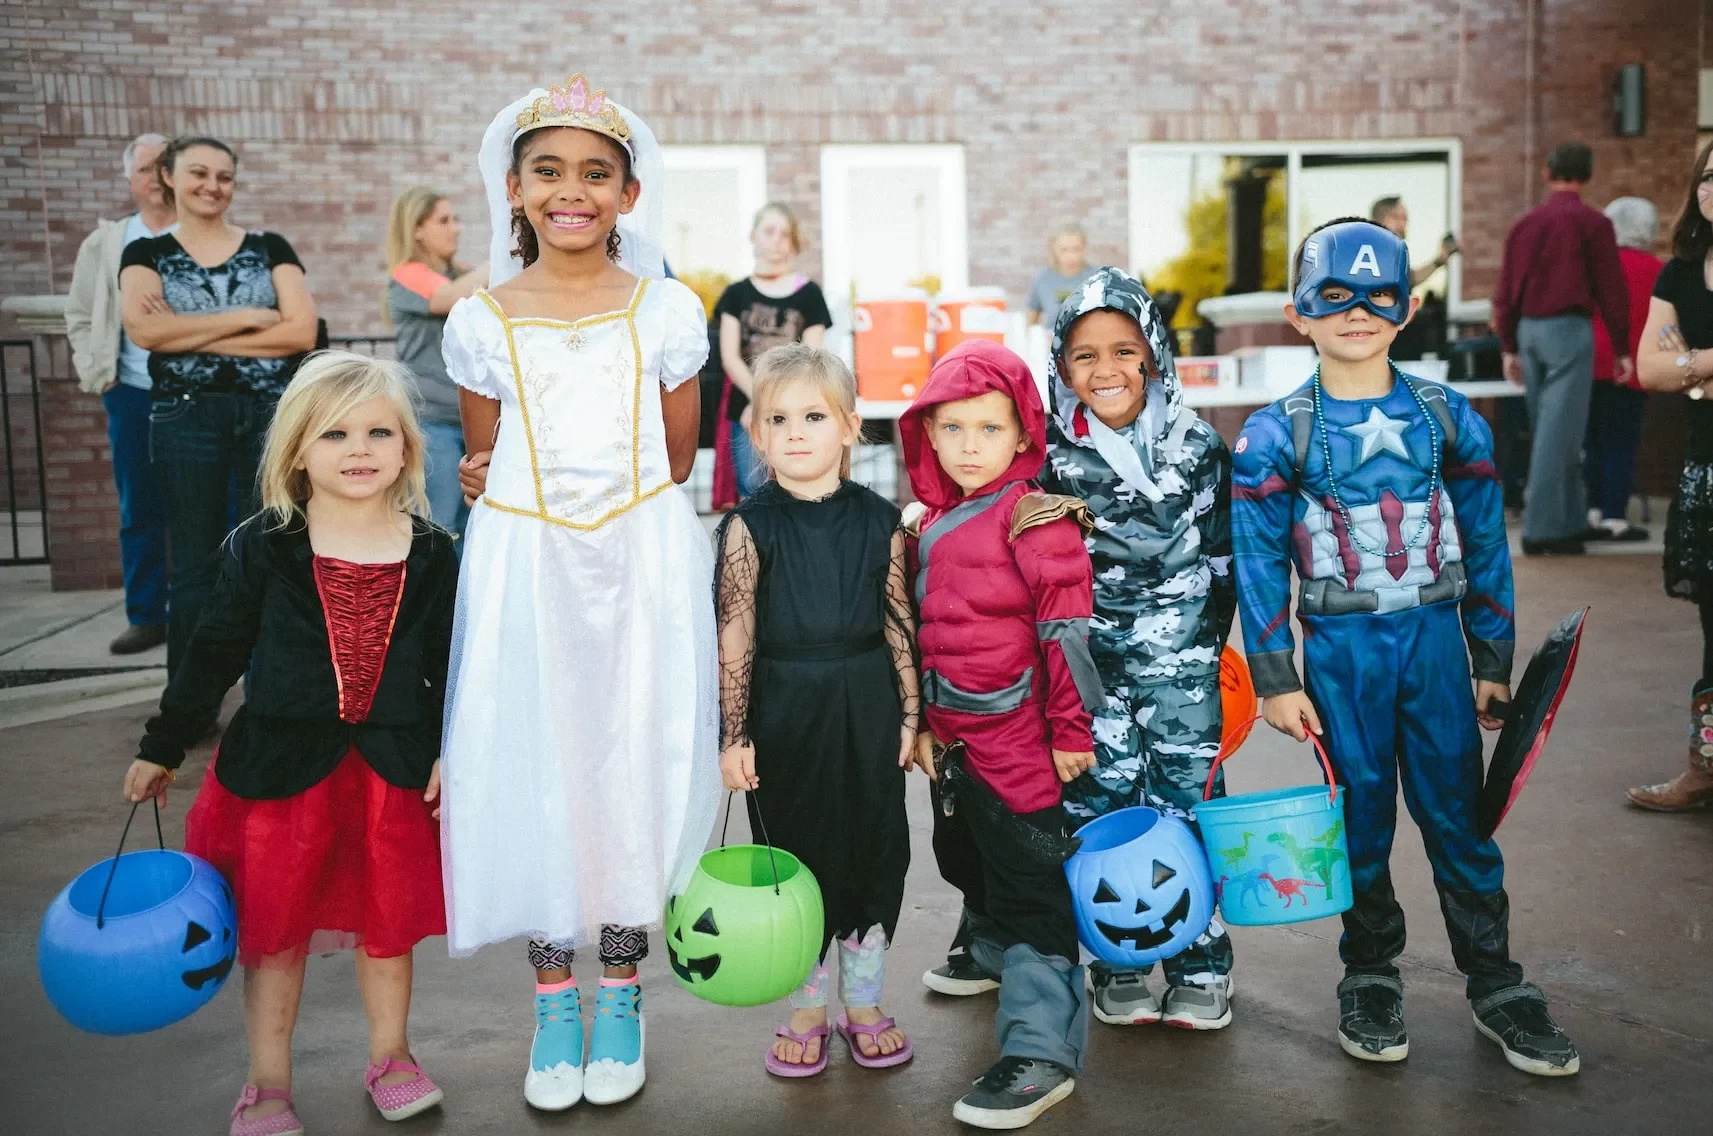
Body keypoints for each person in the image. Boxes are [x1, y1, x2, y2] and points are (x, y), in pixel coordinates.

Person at [1233, 218, 1580, 1077]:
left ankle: (1494, 980)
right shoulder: (1274, 434)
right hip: (1342, 653)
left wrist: (1491, 659)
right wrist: (1275, 676)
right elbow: (1255, 558)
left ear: (1409, 306)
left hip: (1431, 645)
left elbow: (1485, 544)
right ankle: (1369, 972)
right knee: (1357, 822)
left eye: (1377, 296)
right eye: (1333, 297)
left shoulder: (1444, 417)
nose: (1356, 312)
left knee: (1457, 818)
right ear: (1296, 313)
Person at [438, 75, 720, 1112]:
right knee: (538, 763)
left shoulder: (668, 310)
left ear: (628, 195)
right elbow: (485, 451)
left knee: (627, 761)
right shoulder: (480, 320)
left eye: (596, 174)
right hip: (528, 570)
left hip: (638, 565)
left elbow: (678, 451)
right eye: (549, 172)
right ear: (514, 188)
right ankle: (554, 1000)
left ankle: (620, 984)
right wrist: (487, 479)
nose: (572, 191)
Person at [121, 352, 457, 1134]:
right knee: (275, 934)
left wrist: (451, 748)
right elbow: (214, 651)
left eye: (379, 431)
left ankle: (393, 1058)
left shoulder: (437, 552)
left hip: (392, 773)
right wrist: (162, 745)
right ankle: (267, 1082)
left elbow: (453, 667)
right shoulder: (265, 544)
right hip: (280, 777)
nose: (359, 449)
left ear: (407, 446)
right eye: (335, 434)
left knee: (386, 924)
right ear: (297, 450)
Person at [900, 339, 1099, 1129]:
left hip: (1020, 739)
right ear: (929, 435)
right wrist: (920, 727)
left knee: (1026, 884)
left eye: (989, 428)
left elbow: (1067, 634)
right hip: (953, 742)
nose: (970, 446)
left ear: (1022, 435)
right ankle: (986, 954)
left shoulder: (1034, 517)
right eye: (953, 429)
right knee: (966, 855)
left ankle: (1040, 1049)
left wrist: (1068, 730)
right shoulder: (934, 520)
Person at [713, 344, 920, 1077]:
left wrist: (911, 715)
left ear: (849, 426)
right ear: (756, 434)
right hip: (784, 709)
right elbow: (734, 635)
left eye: (813, 415)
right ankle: (805, 1007)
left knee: (873, 847)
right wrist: (733, 733)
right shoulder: (748, 525)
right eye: (778, 418)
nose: (796, 431)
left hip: (864, 701)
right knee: (792, 854)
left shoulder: (880, 519)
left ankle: (862, 1003)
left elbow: (899, 618)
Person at [1040, 267, 1238, 1029]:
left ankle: (1201, 964)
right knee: (1100, 804)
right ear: (1060, 366)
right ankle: (1117, 959)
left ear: (1153, 352)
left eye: (1124, 350)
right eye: (1084, 356)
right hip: (1088, 678)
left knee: (1187, 807)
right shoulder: (1051, 455)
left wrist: (1200, 652)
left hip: (1181, 670)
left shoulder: (1195, 447)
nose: (1106, 370)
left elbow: (1222, 561)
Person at [119, 135, 319, 679]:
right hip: (185, 419)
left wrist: (185, 334)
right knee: (193, 567)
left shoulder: (271, 245)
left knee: (272, 554)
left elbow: (300, 331)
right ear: (169, 177)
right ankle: (190, 700)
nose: (213, 186)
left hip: (266, 416)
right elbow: (143, 331)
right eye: (199, 173)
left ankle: (270, 694)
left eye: (224, 177)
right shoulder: (145, 254)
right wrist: (250, 317)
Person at [1625, 140, 1713, 812]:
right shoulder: (1679, 274)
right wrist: (1694, 370)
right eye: (1707, 176)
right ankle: (1703, 770)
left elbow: (1675, 363)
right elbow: (1652, 368)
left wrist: (1693, 364)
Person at [1493, 141, 1632, 556]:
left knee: (1553, 431)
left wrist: (1508, 346)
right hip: (1569, 330)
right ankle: (1541, 531)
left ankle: (1569, 523)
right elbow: (1611, 290)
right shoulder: (1594, 223)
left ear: (1547, 173)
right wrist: (1622, 347)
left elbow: (1505, 290)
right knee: (1560, 434)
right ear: (1587, 175)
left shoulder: (1525, 224)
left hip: (1529, 332)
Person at [64, 133, 174, 655]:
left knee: (215, 505)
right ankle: (148, 615)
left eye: (167, 166)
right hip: (130, 392)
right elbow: (80, 313)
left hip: (195, 396)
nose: (158, 177)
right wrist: (98, 373)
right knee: (140, 505)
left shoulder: (197, 233)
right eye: (148, 168)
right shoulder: (108, 241)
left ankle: (214, 612)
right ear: (131, 179)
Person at [384, 186, 488, 540]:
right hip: (431, 422)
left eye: (455, 219)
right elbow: (447, 298)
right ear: (416, 228)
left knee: (477, 527)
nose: (455, 228)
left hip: (475, 420)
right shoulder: (408, 274)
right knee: (438, 528)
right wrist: (503, 257)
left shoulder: (466, 273)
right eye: (443, 220)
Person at [712, 204, 832, 507]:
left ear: (793, 243)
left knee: (797, 490)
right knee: (754, 490)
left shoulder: (810, 295)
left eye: (785, 234)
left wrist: (775, 405)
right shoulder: (735, 294)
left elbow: (812, 358)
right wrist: (760, 402)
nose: (777, 240)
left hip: (795, 410)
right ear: (753, 236)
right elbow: (730, 357)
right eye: (769, 231)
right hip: (748, 408)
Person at [1583, 197, 1663, 543]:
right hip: (1630, 364)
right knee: (1620, 443)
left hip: (1588, 363)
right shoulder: (1658, 271)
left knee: (1592, 442)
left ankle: (1592, 511)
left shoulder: (1594, 265)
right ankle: (1615, 517)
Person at [1370, 196, 1460, 287]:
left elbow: (1411, 278)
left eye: (1405, 219)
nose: (1404, 224)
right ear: (1383, 219)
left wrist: (1439, 261)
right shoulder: (1370, 255)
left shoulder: (1391, 258)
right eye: (1400, 218)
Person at [1025, 222, 1097, 328]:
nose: (1070, 255)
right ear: (1054, 250)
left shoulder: (1098, 277)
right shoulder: (1043, 278)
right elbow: (1031, 321)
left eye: (1076, 249)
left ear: (1084, 248)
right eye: (1064, 250)